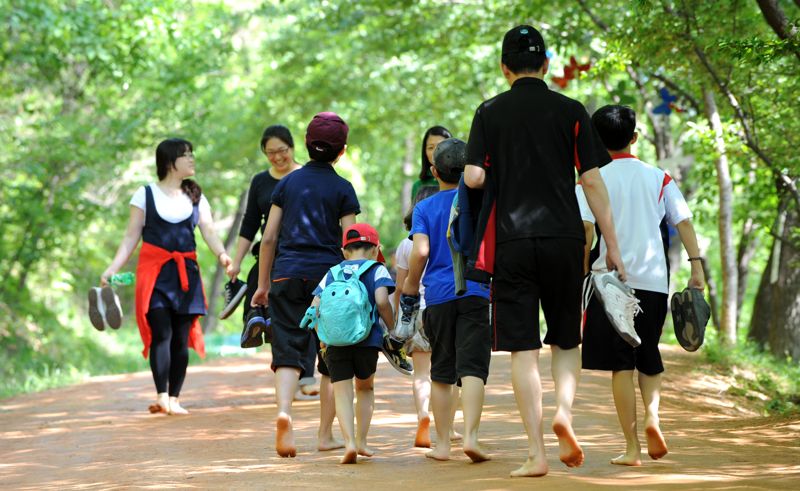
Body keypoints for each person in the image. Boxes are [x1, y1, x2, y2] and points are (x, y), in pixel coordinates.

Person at [463, 25, 626, 477]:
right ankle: (565, 414)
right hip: (564, 239)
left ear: (504, 67)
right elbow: (591, 181)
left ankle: (536, 453)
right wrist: (612, 246)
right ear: (548, 66)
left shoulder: (489, 112)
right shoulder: (571, 110)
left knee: (522, 350)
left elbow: (474, 177)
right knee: (565, 339)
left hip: (512, 243)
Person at [577, 104, 705, 466]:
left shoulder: (590, 179)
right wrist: (696, 267)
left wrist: (579, 271)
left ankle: (632, 447)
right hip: (653, 280)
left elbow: (587, 232)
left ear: (597, 142)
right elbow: (684, 222)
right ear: (634, 138)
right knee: (649, 352)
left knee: (622, 365)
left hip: (608, 282)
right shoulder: (659, 177)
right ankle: (653, 417)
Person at [251, 112, 359, 457]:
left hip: (286, 273)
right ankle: (326, 435)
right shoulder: (343, 188)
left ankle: (285, 413)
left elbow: (268, 238)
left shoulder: (287, 184)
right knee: (331, 357)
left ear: (307, 145)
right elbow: (351, 243)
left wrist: (263, 284)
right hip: (328, 280)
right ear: (341, 151)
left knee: (286, 353)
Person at [100, 138, 232, 415]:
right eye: (187, 155)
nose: (192, 159)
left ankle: (174, 397)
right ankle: (161, 395)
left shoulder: (196, 195)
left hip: (186, 275)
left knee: (180, 336)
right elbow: (131, 236)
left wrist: (223, 255)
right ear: (170, 161)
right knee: (162, 332)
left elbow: (208, 230)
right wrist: (112, 268)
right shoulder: (145, 194)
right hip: (155, 274)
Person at [403, 138, 492, 463]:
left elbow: (421, 251)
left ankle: (442, 444)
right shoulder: (481, 201)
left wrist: (412, 285)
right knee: (472, 369)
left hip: (438, 296)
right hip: (477, 290)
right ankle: (471, 436)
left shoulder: (425, 207)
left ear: (433, 171)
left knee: (441, 370)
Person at [221, 125, 319, 398]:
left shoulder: (306, 176)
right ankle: (258, 327)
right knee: (273, 314)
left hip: (303, 253)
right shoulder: (261, 182)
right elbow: (250, 224)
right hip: (269, 254)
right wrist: (236, 262)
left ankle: (308, 375)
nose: (277, 157)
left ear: (293, 147)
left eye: (282, 151)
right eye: (270, 153)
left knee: (307, 313)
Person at [307, 223, 395, 464]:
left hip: (335, 343)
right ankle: (362, 441)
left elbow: (315, 306)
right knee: (365, 388)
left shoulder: (332, 273)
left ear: (345, 251)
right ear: (377, 248)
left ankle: (348, 443)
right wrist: (393, 325)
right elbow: (381, 300)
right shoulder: (377, 269)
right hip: (367, 341)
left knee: (342, 392)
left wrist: (324, 337)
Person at [394, 186, 462, 448]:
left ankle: (423, 416)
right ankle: (450, 426)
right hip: (442, 302)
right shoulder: (448, 233)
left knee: (421, 374)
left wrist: (398, 320)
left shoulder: (405, 245)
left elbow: (401, 287)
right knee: (448, 370)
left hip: (417, 311)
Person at [411, 126, 452, 202]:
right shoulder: (418, 186)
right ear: (425, 152)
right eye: (430, 147)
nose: (435, 152)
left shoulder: (462, 180)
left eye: (441, 146)